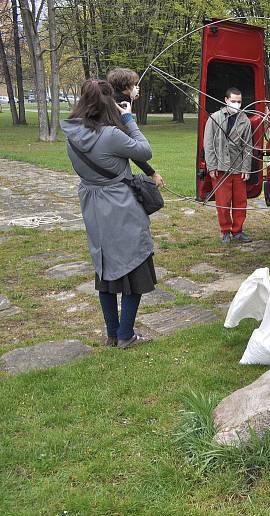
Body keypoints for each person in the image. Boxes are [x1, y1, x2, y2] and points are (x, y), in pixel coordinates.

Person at [61, 79, 159, 349]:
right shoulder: (111, 135)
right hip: (120, 206)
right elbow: (144, 149)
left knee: (104, 269)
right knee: (135, 264)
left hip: (93, 206)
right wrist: (128, 119)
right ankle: (126, 334)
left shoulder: (72, 136)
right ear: (108, 104)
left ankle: (112, 333)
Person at [203, 87, 253, 243]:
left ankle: (237, 230)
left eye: (239, 102)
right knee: (223, 203)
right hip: (220, 168)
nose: (236, 104)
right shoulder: (215, 118)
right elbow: (208, 144)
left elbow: (248, 147)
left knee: (240, 202)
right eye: (233, 101)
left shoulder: (245, 120)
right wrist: (211, 166)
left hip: (238, 168)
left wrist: (246, 168)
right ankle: (225, 231)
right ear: (226, 100)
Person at [106, 68, 165, 189]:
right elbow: (132, 148)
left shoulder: (111, 102)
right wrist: (152, 173)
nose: (137, 88)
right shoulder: (120, 108)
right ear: (126, 87)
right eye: (134, 84)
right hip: (113, 176)